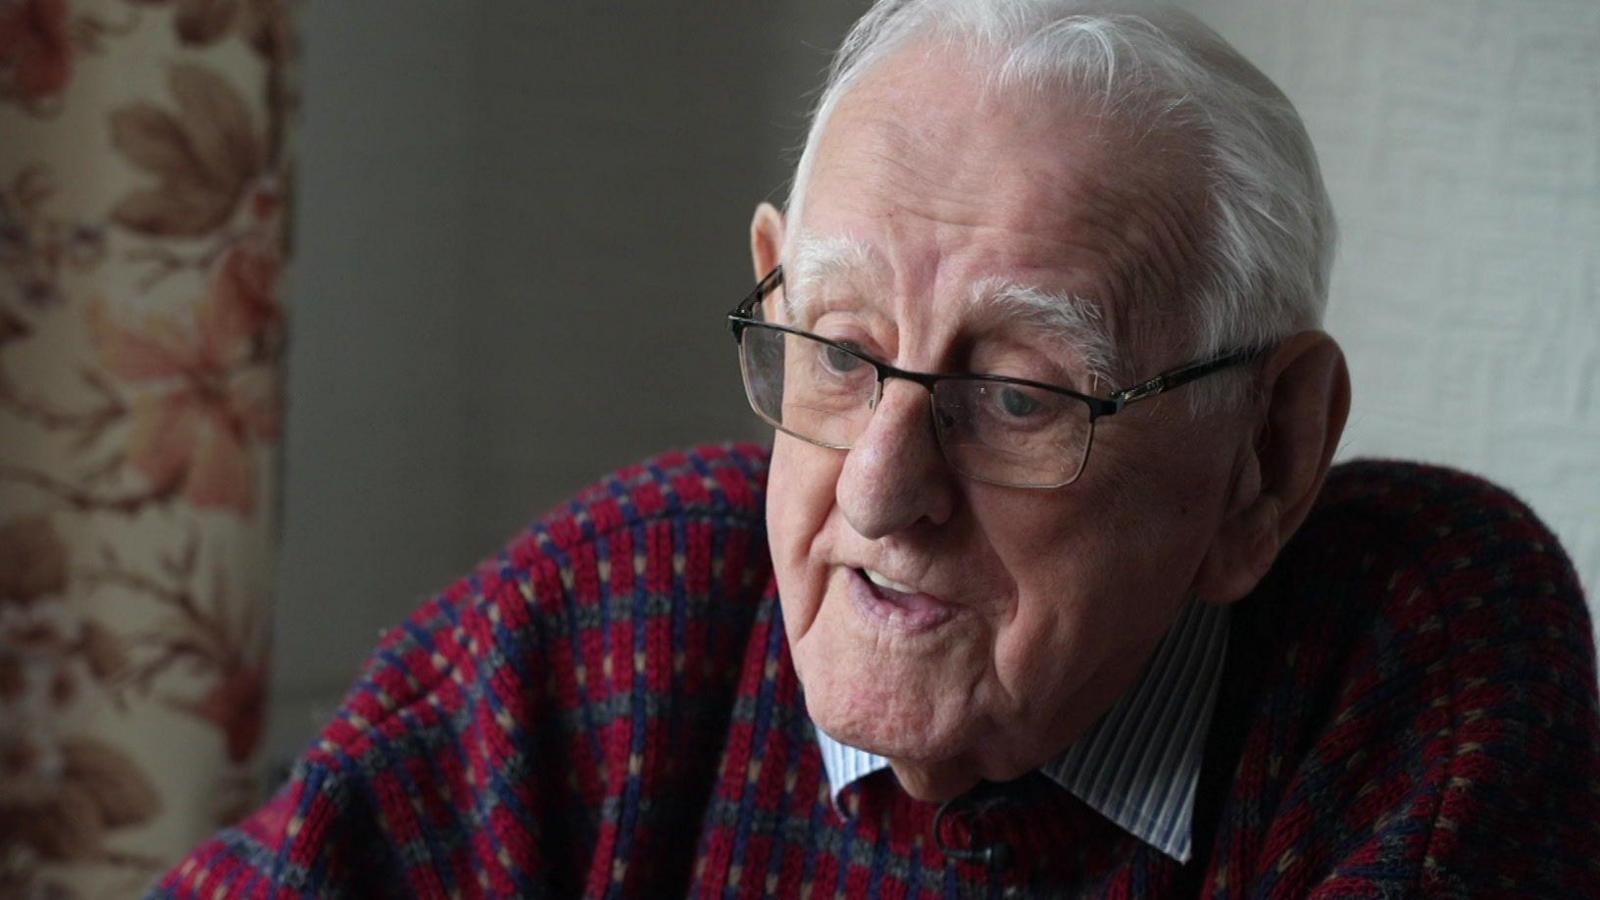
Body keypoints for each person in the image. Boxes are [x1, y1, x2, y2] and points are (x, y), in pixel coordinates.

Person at [151, 1, 1600, 896]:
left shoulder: (1408, 631)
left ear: (1267, 460)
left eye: (1022, 394)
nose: (880, 492)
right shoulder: (632, 604)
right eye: (840, 354)